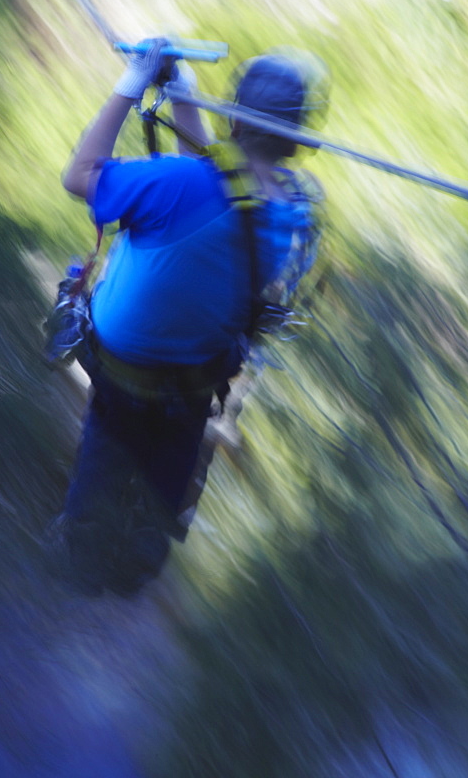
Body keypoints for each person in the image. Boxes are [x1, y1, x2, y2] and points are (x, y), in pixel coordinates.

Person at [54, 38, 325, 596]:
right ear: (297, 137)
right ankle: (142, 558)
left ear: (237, 117)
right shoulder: (292, 214)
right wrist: (183, 95)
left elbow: (80, 174)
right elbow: (226, 189)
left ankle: (82, 560)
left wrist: (132, 84)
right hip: (194, 378)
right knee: (167, 473)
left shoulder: (178, 185)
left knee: (104, 456)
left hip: (123, 369)